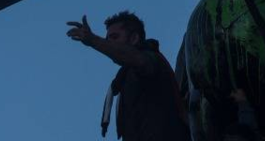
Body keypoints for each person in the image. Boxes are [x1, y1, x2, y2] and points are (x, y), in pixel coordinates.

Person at [66, 11, 190, 141]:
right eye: (107, 40)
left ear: (134, 39)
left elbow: (139, 60)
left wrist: (93, 40)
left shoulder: (151, 60)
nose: (108, 43)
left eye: (114, 37)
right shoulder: (125, 77)